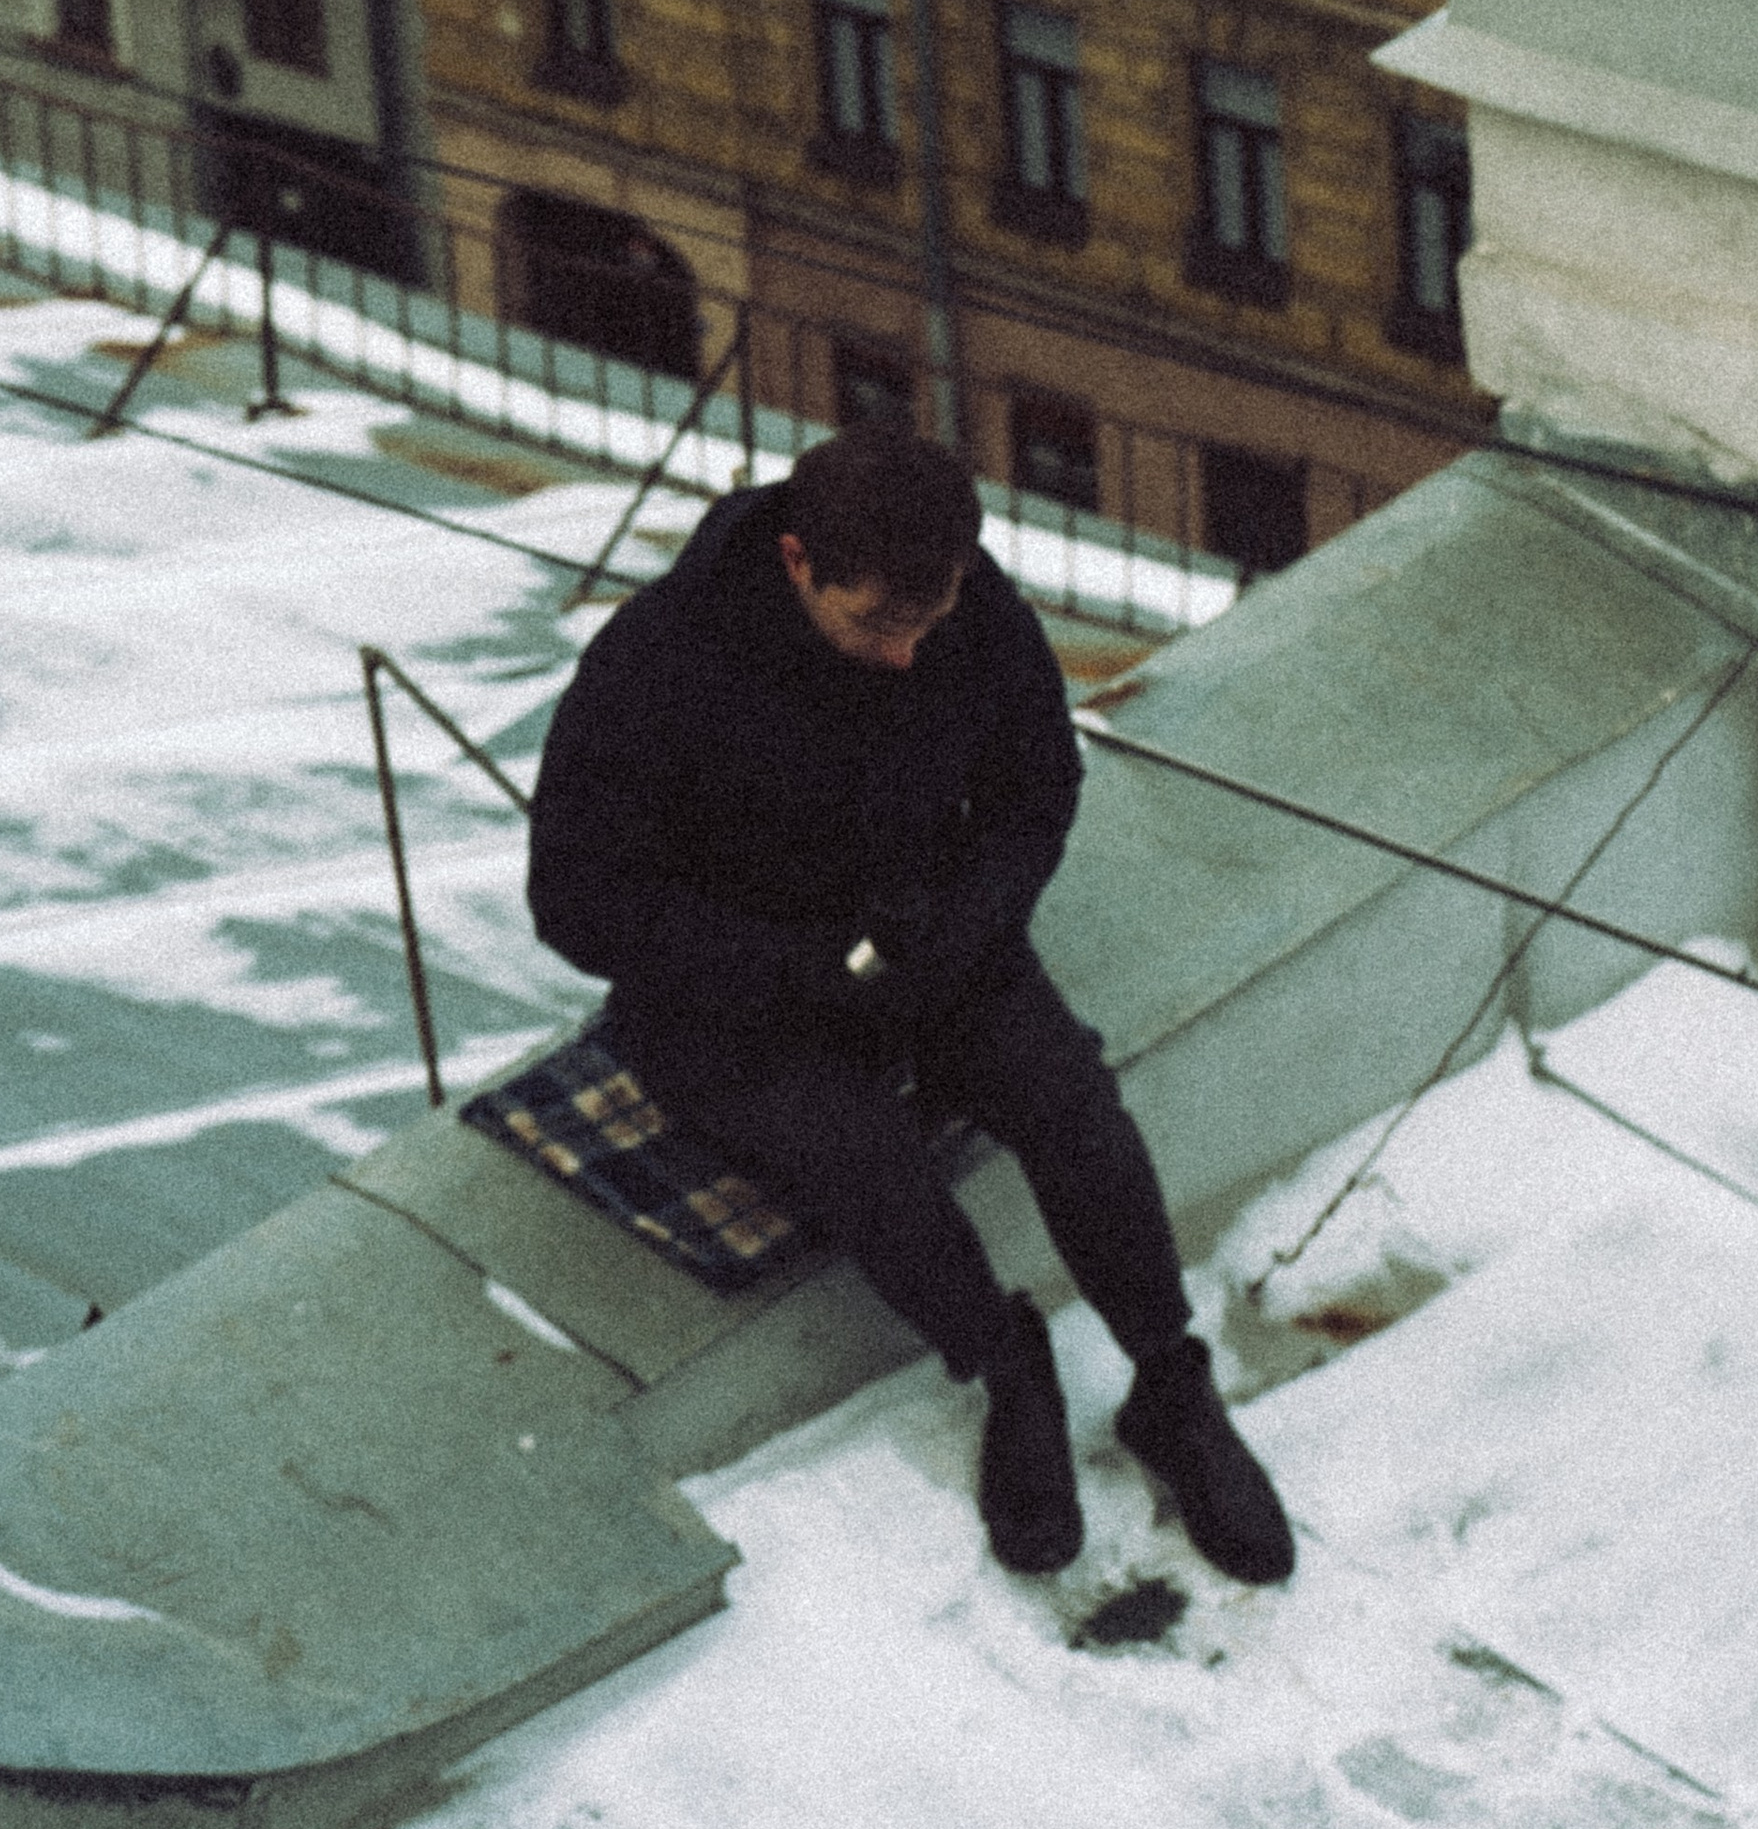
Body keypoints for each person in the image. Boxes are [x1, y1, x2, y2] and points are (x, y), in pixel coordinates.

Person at [527, 418, 1294, 1586]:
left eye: (922, 625)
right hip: (734, 991)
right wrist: (795, 970)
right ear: (797, 564)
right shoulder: (660, 661)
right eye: (873, 623)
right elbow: (576, 901)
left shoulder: (966, 607)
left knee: (1070, 1103)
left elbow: (1039, 787)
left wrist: (966, 922)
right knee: (862, 1162)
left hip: (930, 940)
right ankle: (1006, 1363)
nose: (902, 655)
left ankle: (1171, 1388)